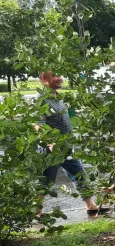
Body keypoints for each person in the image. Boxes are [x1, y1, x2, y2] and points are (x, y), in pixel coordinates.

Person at [36, 71, 105, 217]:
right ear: (44, 79)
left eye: (60, 75)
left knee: (80, 174)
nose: (60, 78)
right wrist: (49, 142)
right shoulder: (41, 99)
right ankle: (36, 212)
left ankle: (91, 206)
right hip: (51, 149)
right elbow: (38, 124)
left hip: (67, 146)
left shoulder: (59, 97)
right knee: (46, 182)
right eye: (55, 75)